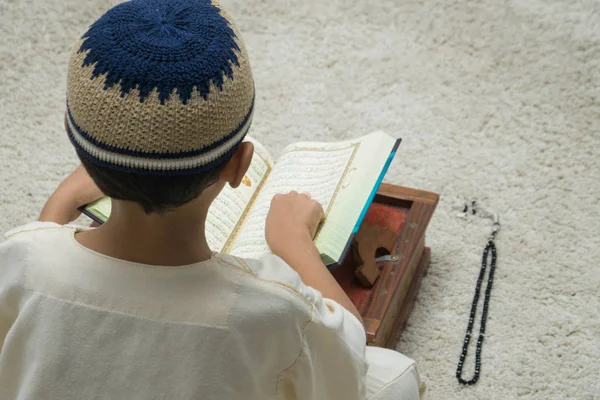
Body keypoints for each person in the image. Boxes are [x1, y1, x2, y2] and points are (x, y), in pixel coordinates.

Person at [0, 0, 426, 398]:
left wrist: (60, 203)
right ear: (241, 164)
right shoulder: (274, 310)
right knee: (395, 372)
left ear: (74, 141)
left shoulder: (17, 253)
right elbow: (348, 363)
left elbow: (36, 266)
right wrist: (293, 241)